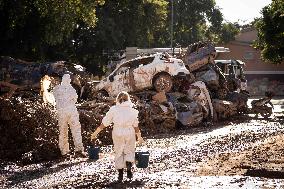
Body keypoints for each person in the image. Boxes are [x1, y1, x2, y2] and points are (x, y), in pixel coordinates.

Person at [91, 91, 144, 182]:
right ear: (128, 99)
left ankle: (120, 174)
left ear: (118, 99)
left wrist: (95, 132)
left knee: (119, 151)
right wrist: (139, 137)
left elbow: (105, 123)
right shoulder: (133, 111)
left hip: (117, 132)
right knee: (129, 150)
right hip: (129, 131)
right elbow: (136, 126)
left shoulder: (113, 109)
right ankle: (128, 166)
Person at [53, 74, 86, 158]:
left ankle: (64, 152)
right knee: (76, 131)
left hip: (61, 112)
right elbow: (75, 99)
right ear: (69, 80)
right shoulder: (72, 89)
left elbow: (54, 97)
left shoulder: (56, 89)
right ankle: (79, 150)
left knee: (63, 131)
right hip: (72, 111)